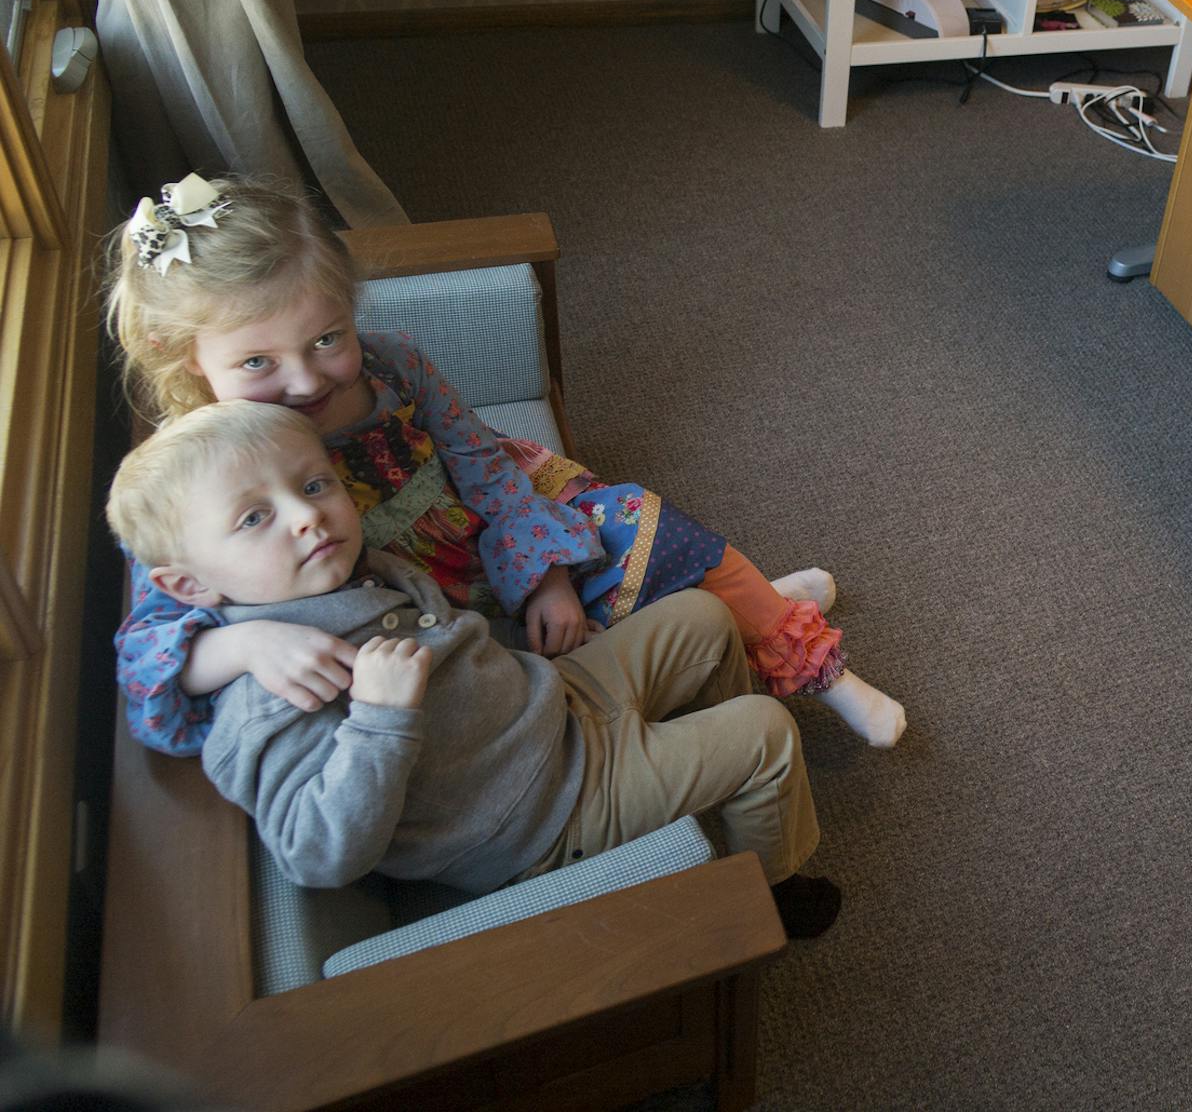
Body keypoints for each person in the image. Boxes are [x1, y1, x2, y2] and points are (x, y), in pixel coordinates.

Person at [105, 174, 907, 750]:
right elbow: (146, 655)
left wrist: (547, 574)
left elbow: (481, 465)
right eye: (259, 364)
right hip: (420, 600)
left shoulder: (393, 363)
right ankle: (750, 613)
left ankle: (801, 651)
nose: (309, 379)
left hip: (497, 524)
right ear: (181, 354)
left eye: (327, 339)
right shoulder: (191, 471)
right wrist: (240, 648)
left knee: (660, 530)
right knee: (601, 637)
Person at [104, 400, 841, 936]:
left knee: (704, 619)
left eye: (314, 484)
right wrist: (380, 720)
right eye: (253, 518)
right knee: (765, 733)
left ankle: (704, 792)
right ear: (189, 586)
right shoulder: (266, 700)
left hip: (553, 709)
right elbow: (318, 853)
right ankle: (769, 890)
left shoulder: (352, 569)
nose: (305, 516)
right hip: (541, 813)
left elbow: (459, 637)